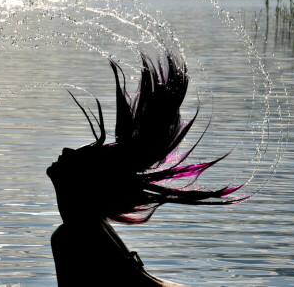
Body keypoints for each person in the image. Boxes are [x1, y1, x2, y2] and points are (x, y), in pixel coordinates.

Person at [47, 52, 247, 286]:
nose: (65, 150)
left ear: (83, 180)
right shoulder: (93, 225)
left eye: (79, 155)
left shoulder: (71, 236)